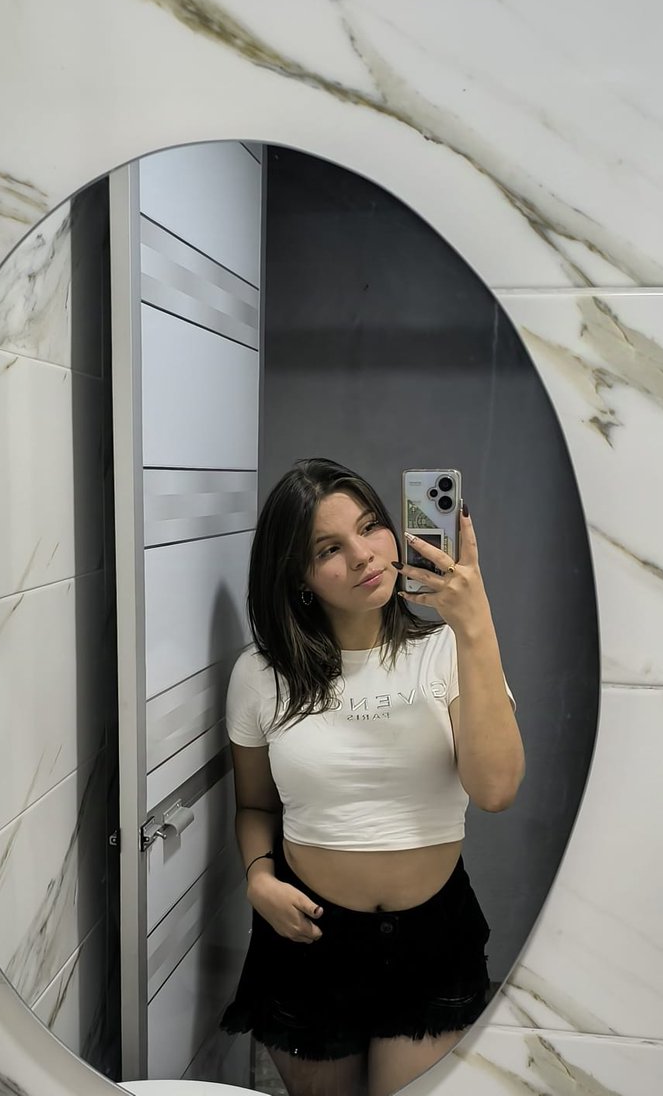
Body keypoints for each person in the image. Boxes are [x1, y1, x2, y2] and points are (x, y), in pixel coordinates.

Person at [220, 458, 524, 1096]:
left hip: (433, 940)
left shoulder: (446, 651)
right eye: (329, 548)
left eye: (369, 528)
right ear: (299, 577)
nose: (363, 555)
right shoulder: (260, 675)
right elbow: (255, 807)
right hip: (307, 938)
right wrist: (258, 880)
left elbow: (495, 789)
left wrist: (475, 624)